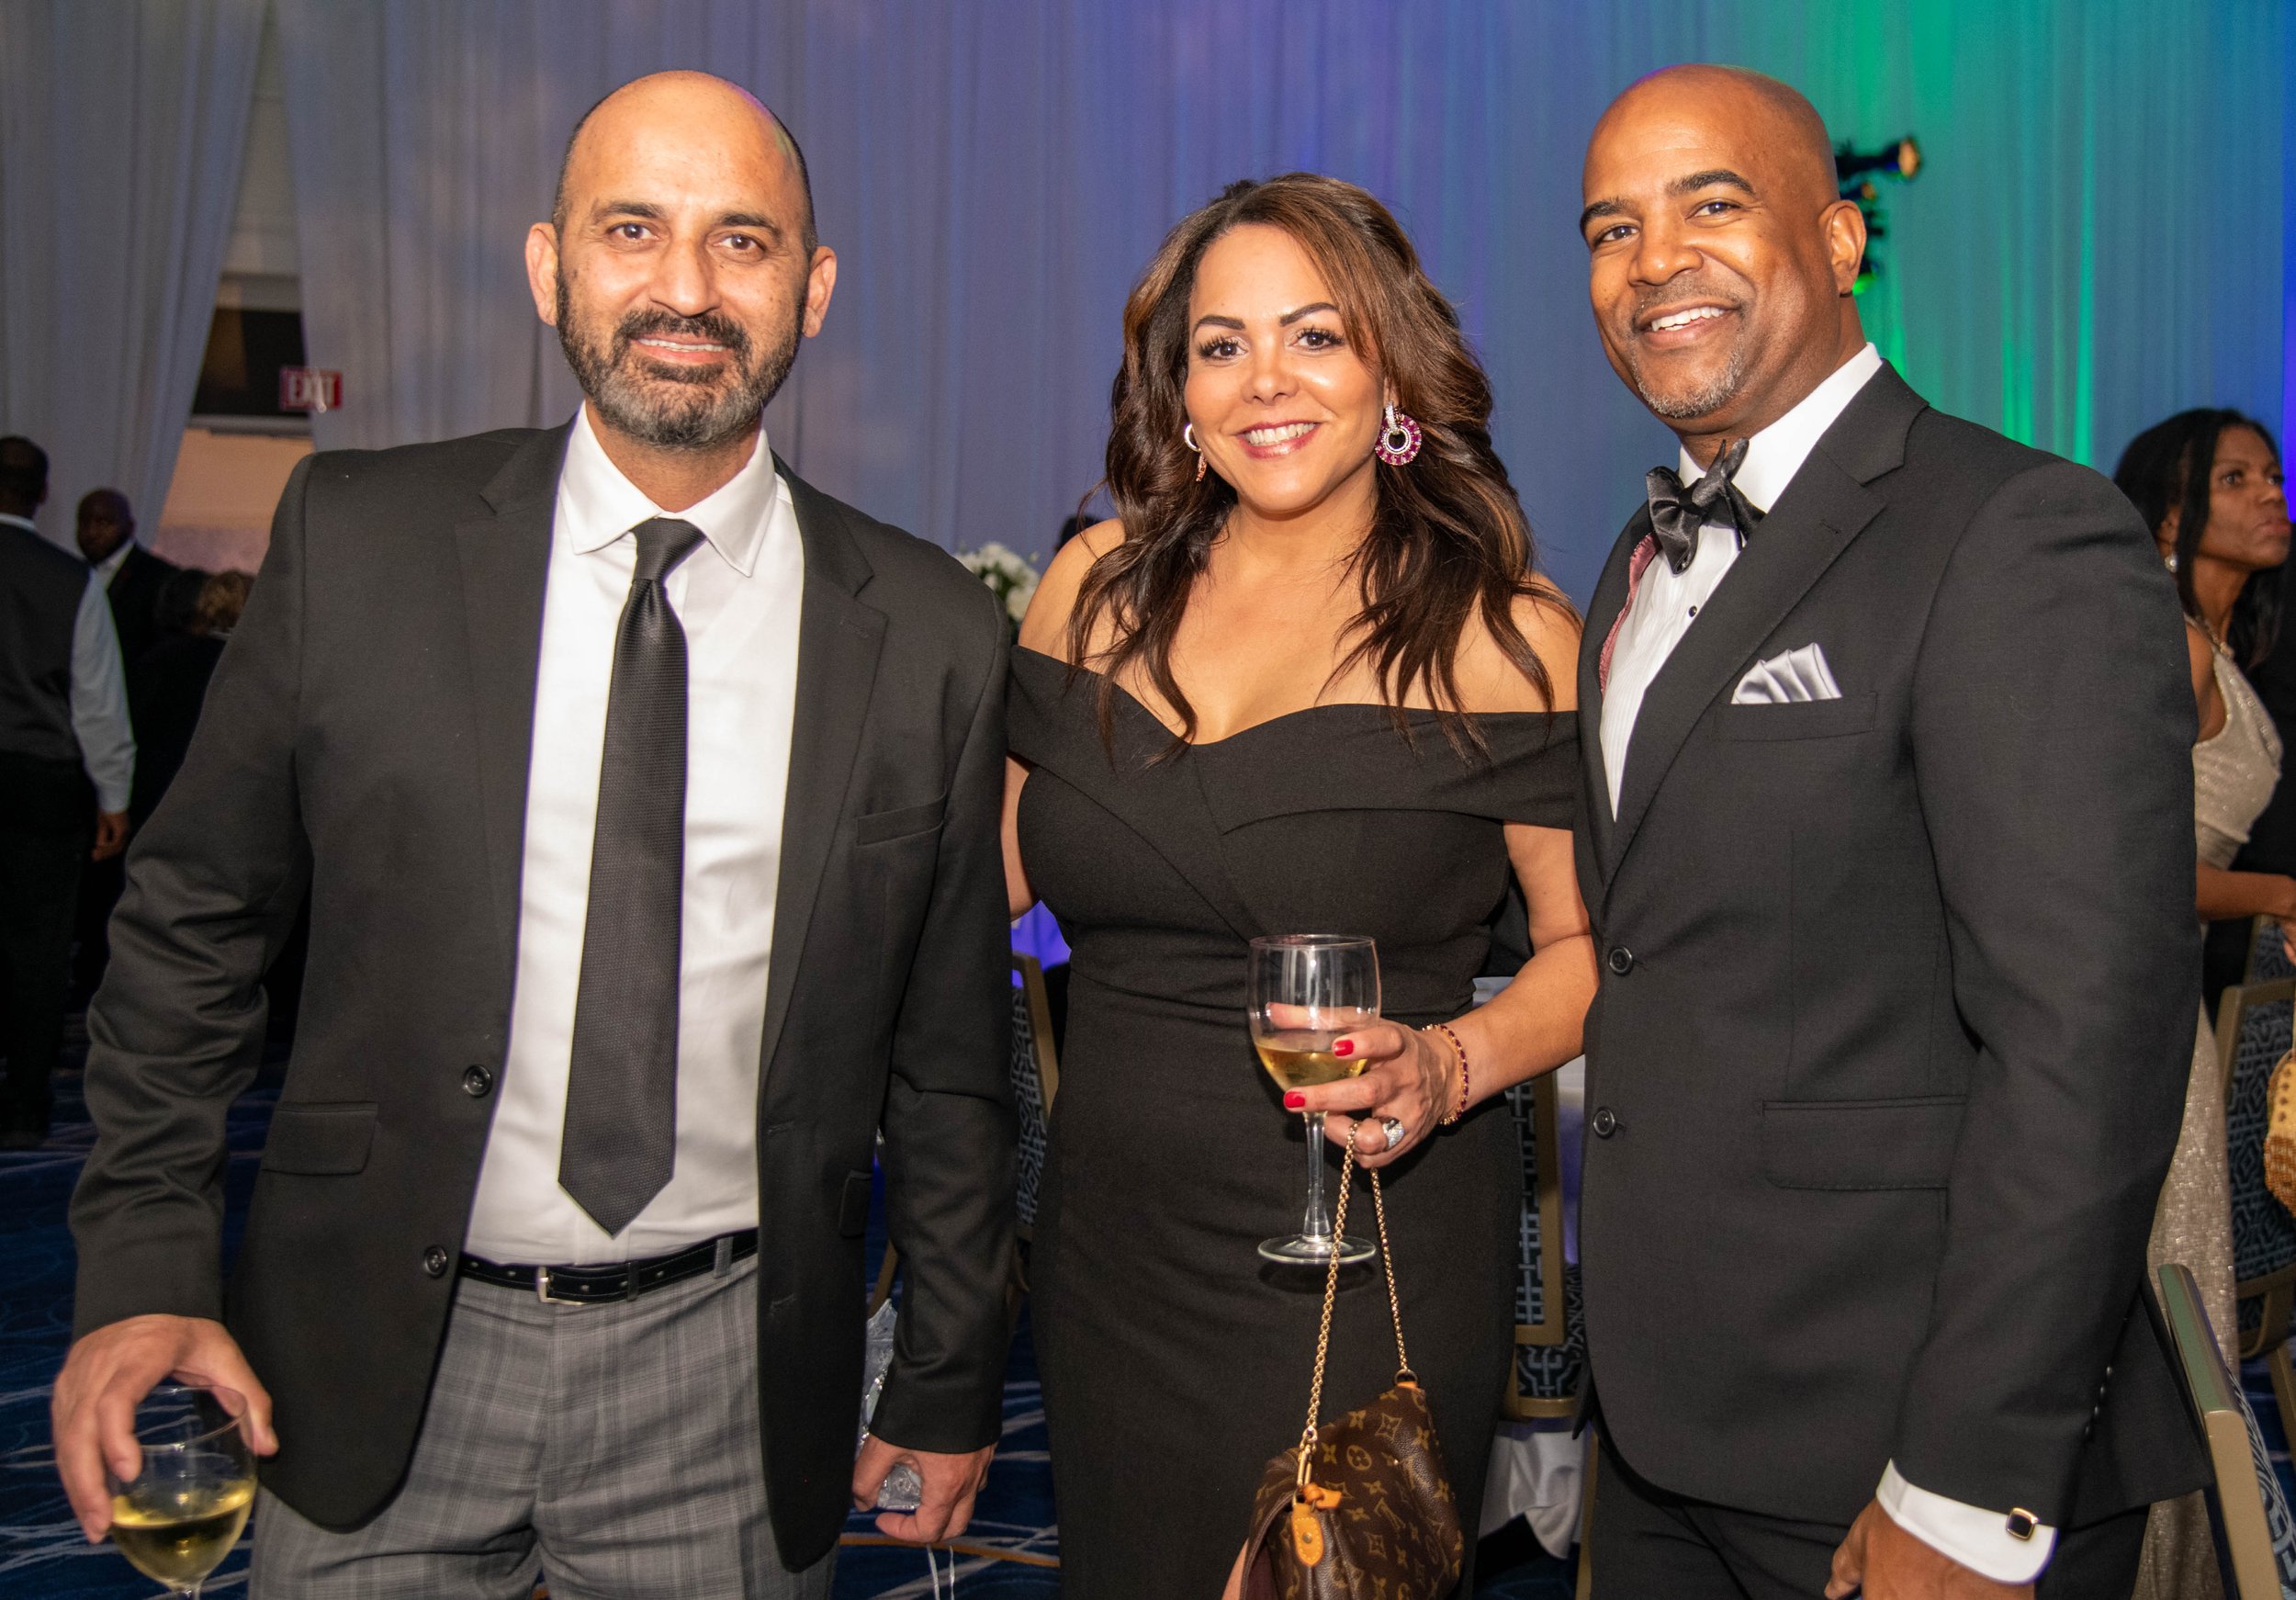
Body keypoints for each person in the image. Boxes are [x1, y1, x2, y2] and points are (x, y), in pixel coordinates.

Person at [54, 71, 1016, 1599]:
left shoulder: (933, 631)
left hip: (734, 1378)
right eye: (632, 230)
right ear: (549, 266)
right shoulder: (356, 542)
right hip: (372, 1353)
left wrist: (951, 1374)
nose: (686, 290)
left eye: (744, 242)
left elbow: (952, 1055)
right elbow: (190, 928)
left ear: (814, 290)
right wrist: (140, 1272)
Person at [1572, 66, 2204, 1599]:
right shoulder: (1633, 563)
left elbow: (2086, 1040)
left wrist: (1969, 1483)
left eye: (1710, 203)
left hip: (1905, 1445)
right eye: (1610, 227)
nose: (1654, 260)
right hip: (1665, 1431)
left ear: (1843, 241)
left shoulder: (2014, 530)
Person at [1002, 173, 1597, 1599]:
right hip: (1114, 1252)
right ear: (1180, 391)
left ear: (1389, 366)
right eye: (1222, 345)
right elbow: (975, 886)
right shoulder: (1091, 590)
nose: (1266, 380)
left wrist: (1452, 1063)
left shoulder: (1502, 633)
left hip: (1364, 1247)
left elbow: (1593, 954)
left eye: (1316, 336)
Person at [2113, 409, 2290, 1600]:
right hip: (2133, 992)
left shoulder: (2227, 643)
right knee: (2167, 1275)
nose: (2274, 492)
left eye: (2274, 471)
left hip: (2175, 985)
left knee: (2188, 1275)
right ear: (2172, 516)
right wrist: (2283, 888)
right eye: (2240, 478)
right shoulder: (2163, 643)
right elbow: (2131, 860)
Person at [0, 435, 132, 1149]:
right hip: (42, 780)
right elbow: (97, 703)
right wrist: (114, 798)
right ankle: (22, 1109)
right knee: (38, 950)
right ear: (44, 495)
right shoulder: (68, 579)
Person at [71, 489, 192, 992]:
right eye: (86, 522)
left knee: (122, 874)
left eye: (104, 522)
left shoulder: (160, 579)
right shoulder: (67, 577)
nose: (93, 531)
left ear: (128, 524)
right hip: (84, 746)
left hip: (139, 744)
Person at [126, 569, 252, 828]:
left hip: (154, 797)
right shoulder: (256, 672)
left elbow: (131, 723)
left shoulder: (162, 658)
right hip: (220, 808)